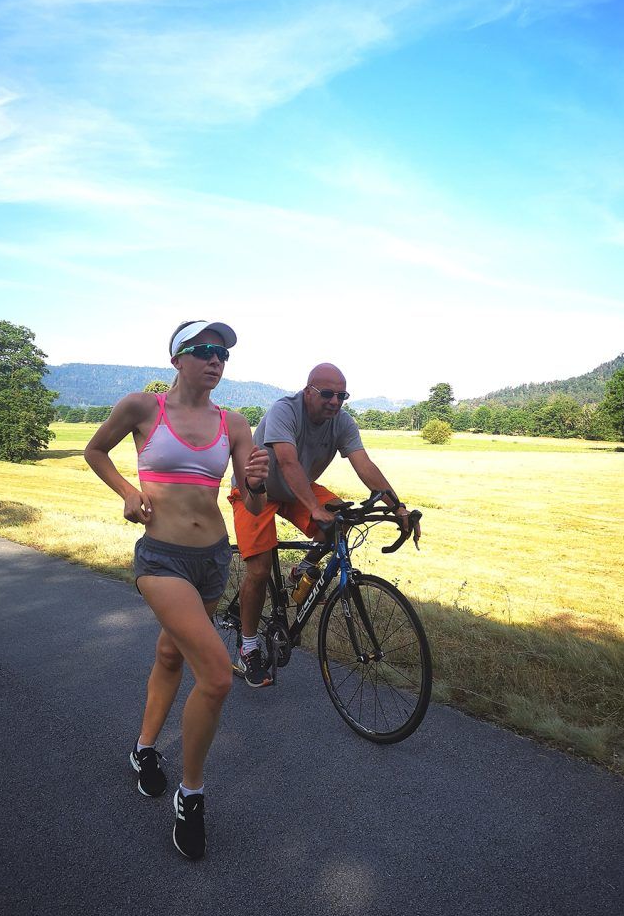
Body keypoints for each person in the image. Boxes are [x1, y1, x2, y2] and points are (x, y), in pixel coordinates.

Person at [84, 320, 269, 860]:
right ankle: (192, 794)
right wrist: (126, 490)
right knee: (214, 674)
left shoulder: (234, 423)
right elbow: (96, 451)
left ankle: (144, 749)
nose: (216, 361)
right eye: (205, 351)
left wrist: (256, 483)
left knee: (170, 652)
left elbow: (251, 504)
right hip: (160, 558)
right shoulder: (144, 408)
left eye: (223, 356)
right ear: (177, 359)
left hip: (212, 559)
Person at [228, 363, 420, 687]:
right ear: (308, 391)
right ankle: (248, 648)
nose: (334, 401)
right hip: (255, 490)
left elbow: (364, 464)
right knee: (259, 570)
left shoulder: (342, 422)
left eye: (341, 395)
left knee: (342, 518)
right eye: (327, 393)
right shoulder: (284, 411)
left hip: (296, 488)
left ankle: (301, 570)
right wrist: (314, 508)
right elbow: (287, 462)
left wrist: (397, 506)